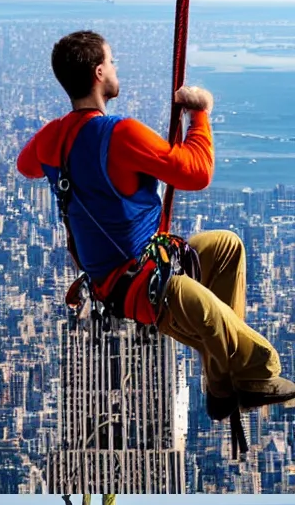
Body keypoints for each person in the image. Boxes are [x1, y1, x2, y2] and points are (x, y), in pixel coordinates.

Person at [17, 31, 295, 424]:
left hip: (152, 260)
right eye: (112, 62)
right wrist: (200, 113)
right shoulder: (120, 134)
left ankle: (220, 386)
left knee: (226, 247)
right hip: (136, 284)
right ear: (99, 73)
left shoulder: (51, 138)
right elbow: (196, 172)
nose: (116, 68)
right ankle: (256, 375)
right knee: (199, 306)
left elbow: (26, 165)